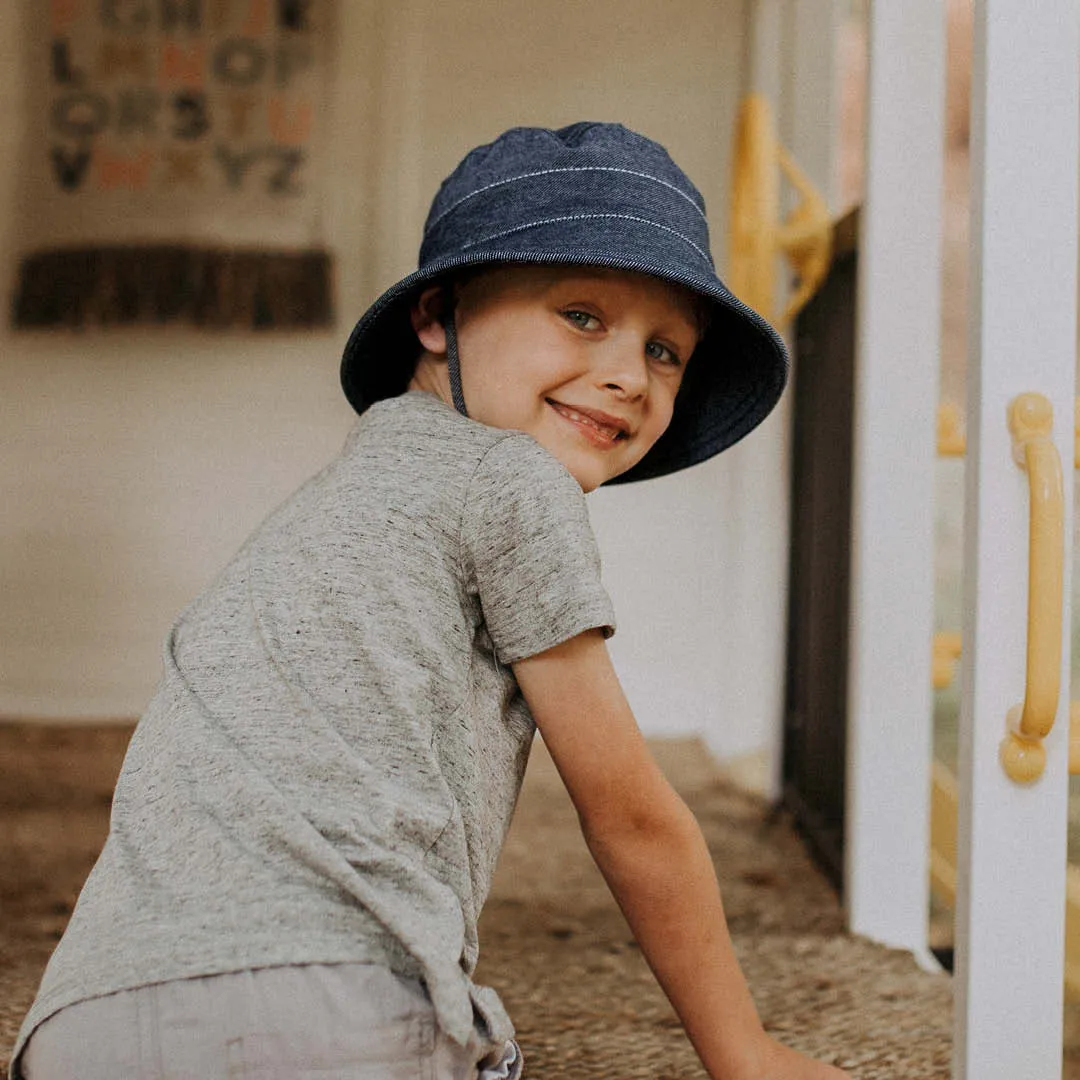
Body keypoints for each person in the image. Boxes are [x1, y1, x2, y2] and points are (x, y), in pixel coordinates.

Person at [11, 122, 851, 1080]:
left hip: (83, 1018)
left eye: (666, 351)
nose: (628, 374)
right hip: (328, 997)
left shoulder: (346, 487)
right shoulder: (514, 482)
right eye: (583, 315)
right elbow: (631, 816)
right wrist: (743, 1051)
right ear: (437, 316)